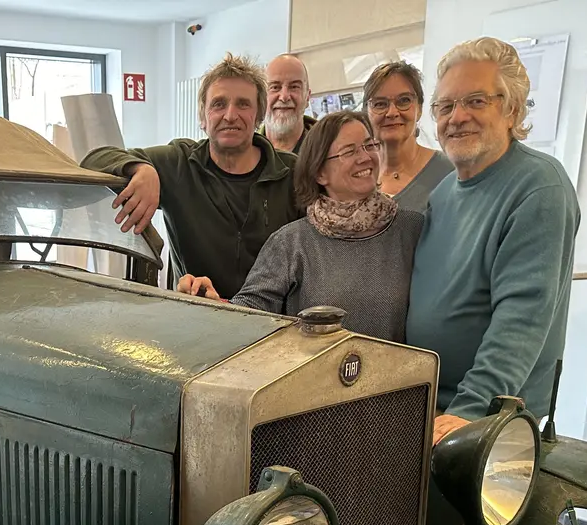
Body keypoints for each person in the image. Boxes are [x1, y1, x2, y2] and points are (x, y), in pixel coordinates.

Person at [408, 37, 580, 444]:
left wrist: (470, 411)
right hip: (433, 404)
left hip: (491, 422)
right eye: (445, 106)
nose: (457, 117)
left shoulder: (539, 187)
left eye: (476, 102)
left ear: (512, 110)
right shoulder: (444, 193)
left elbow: (520, 320)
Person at [176, 112, 424, 344]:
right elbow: (251, 311)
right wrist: (215, 303)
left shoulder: (412, 229)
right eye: (349, 151)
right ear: (319, 174)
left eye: (369, 145)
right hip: (314, 388)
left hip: (400, 388)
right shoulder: (292, 242)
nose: (365, 157)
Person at [81, 54, 300, 300]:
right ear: (202, 118)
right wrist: (140, 168)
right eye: (218, 104)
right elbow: (93, 159)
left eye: (243, 104)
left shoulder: (292, 172)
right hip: (197, 316)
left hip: (274, 323)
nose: (230, 115)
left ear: (259, 115)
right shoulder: (179, 164)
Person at [363, 61, 454, 214]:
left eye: (404, 101)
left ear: (419, 108)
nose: (392, 112)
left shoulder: (449, 173)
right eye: (380, 104)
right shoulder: (358, 173)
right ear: (366, 112)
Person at [264, 53, 316, 154]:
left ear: (307, 96)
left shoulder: (330, 150)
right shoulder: (241, 152)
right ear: (260, 97)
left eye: (294, 87)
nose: (284, 97)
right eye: (275, 87)